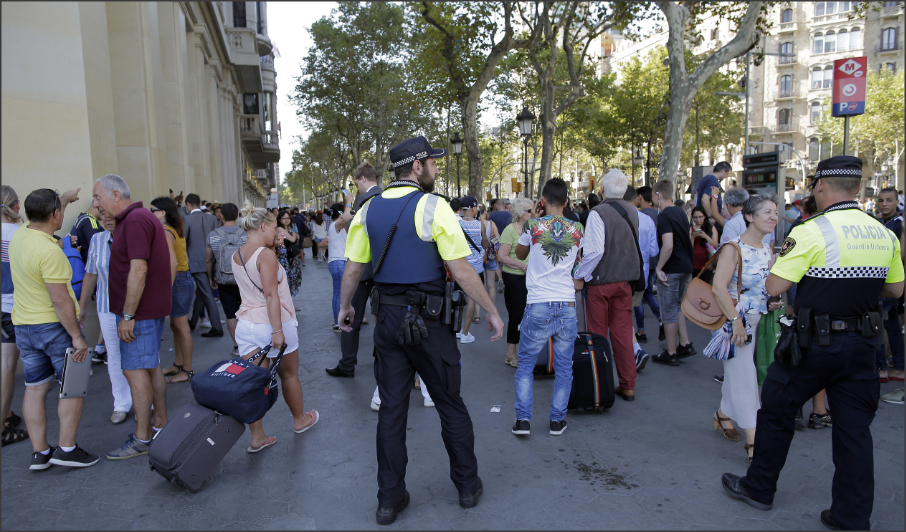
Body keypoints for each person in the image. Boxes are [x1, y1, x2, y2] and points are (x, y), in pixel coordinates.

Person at [721, 156, 905, 531]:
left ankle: (759, 487)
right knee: (854, 431)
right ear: (857, 189)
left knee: (775, 408)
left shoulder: (810, 231)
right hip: (863, 345)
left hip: (813, 344)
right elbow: (896, 289)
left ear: (821, 186)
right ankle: (852, 516)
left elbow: (774, 287)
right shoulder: (883, 233)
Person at [337, 136, 504, 525]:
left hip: (388, 322)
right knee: (449, 403)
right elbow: (461, 269)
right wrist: (492, 310)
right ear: (417, 167)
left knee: (392, 411)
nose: (435, 168)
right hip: (429, 323)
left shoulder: (367, 209)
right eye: (432, 162)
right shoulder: (434, 206)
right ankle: (467, 487)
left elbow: (353, 268)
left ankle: (388, 499)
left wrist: (346, 306)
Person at [10, 187, 100, 468]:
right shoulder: (50, 251)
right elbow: (60, 300)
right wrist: (77, 337)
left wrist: (64, 198)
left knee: (34, 388)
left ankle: (41, 453)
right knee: (72, 386)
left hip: (23, 325)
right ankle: (67, 448)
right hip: (53, 327)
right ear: (56, 214)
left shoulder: (20, 235)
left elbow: (44, 211)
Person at [91, 175, 171, 460]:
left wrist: (127, 315)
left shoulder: (135, 220)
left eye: (98, 197)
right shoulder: (138, 218)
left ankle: (143, 436)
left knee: (135, 370)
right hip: (145, 311)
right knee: (150, 368)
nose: (95, 204)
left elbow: (138, 270)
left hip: (139, 314)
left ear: (115, 194)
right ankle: (159, 424)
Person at [232, 207, 318, 453]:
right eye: (272, 228)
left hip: (246, 325)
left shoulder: (237, 254)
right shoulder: (266, 256)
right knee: (289, 375)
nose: (275, 232)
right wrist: (277, 330)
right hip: (271, 324)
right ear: (262, 227)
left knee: (254, 382)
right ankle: (300, 419)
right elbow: (271, 295)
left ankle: (257, 436)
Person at [710, 194, 781, 464]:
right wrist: (736, 322)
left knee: (738, 374)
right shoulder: (733, 248)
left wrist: (770, 301)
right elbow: (719, 287)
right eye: (767, 212)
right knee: (745, 376)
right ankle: (754, 441)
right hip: (733, 324)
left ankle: (722, 413)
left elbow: (761, 288)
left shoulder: (766, 249)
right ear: (749, 217)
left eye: (775, 212)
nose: (773, 217)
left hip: (755, 320)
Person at [514, 178, 583, 433]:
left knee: (525, 365)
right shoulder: (577, 228)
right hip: (565, 303)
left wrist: (534, 216)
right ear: (566, 202)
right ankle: (557, 420)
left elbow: (520, 255)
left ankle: (523, 420)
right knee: (564, 367)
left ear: (542, 201)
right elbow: (578, 260)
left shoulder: (532, 225)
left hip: (538, 304)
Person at [575, 169, 641, 401]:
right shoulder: (633, 211)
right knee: (623, 333)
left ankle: (599, 383)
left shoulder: (597, 213)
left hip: (601, 282)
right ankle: (628, 384)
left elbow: (595, 251)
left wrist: (580, 275)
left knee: (597, 334)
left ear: (602, 189)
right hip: (624, 281)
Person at [327, 161, 382, 378]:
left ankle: (347, 364)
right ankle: (382, 362)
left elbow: (357, 236)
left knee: (350, 317)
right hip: (381, 268)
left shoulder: (363, 200)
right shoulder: (385, 198)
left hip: (362, 267)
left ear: (362, 179)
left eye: (356, 182)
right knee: (383, 318)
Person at [78, 213, 133, 424]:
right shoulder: (97, 240)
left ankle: (146, 400)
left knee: (141, 354)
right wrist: (82, 307)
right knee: (114, 356)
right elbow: (91, 274)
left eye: (111, 216)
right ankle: (121, 403)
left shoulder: (132, 236)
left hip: (134, 307)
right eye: (103, 216)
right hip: (106, 307)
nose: (107, 219)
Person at [651, 179, 697, 366]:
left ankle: (671, 352)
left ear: (658, 195)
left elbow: (668, 245)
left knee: (668, 310)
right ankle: (685, 344)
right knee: (678, 306)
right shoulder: (680, 211)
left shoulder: (663, 216)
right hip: (686, 265)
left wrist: (659, 267)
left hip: (672, 268)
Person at [150, 197, 195, 384]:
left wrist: (165, 289)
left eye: (152, 210)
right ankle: (178, 364)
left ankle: (187, 370)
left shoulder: (167, 231)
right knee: (176, 326)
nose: (149, 212)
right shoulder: (174, 228)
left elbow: (173, 263)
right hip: (181, 279)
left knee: (181, 327)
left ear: (162, 213)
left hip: (178, 281)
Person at [2, 186, 29, 446]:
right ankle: (2, 427)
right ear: (16, 206)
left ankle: (7, 414)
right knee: (7, 366)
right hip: (10, 307)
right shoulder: (18, 235)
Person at [494, 197, 533, 368]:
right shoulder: (510, 230)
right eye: (529, 211)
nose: (532, 213)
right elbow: (502, 256)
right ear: (519, 213)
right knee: (516, 315)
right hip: (514, 277)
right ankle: (511, 353)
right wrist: (523, 266)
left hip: (531, 278)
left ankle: (528, 351)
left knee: (530, 314)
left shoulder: (533, 228)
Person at [623, 186, 657, 369]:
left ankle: (634, 349)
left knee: (622, 315)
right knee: (626, 313)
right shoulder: (647, 220)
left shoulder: (619, 218)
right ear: (636, 199)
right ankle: (633, 347)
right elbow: (653, 251)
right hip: (641, 274)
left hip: (622, 275)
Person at [206, 203, 246, 356]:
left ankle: (237, 346)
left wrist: (211, 277)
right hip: (242, 280)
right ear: (237, 216)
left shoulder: (213, 235)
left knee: (230, 314)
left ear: (221, 215)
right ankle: (248, 342)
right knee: (246, 311)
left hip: (223, 279)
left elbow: (209, 259)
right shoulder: (245, 235)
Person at [183, 194, 223, 336]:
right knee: (202, 292)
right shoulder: (212, 218)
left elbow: (183, 240)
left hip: (196, 261)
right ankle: (193, 322)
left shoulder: (187, 219)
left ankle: (217, 326)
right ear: (199, 203)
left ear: (188, 204)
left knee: (206, 293)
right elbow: (217, 239)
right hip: (211, 259)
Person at [456, 195, 488, 344]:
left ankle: (456, 329)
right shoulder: (479, 225)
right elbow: (485, 244)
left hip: (459, 266)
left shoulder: (457, 224)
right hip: (475, 268)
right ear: (474, 208)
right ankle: (465, 332)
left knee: (457, 299)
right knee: (472, 300)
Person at [633, 186, 664, 343]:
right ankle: (660, 319)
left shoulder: (639, 216)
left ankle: (641, 330)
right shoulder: (657, 215)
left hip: (641, 263)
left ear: (639, 197)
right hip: (655, 260)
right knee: (647, 292)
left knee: (638, 297)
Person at [326, 203, 348, 332]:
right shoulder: (335, 225)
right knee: (338, 294)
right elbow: (346, 218)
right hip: (338, 262)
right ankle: (336, 322)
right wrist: (349, 202)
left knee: (340, 293)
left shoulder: (338, 227)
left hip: (339, 262)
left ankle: (339, 320)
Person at [275, 210, 302, 298]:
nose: (286, 220)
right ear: (279, 219)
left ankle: (289, 303)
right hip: (284, 258)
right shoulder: (279, 228)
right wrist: (294, 235)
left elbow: (295, 239)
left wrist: (294, 236)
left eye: (288, 218)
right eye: (284, 218)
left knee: (292, 279)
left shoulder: (289, 228)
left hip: (291, 257)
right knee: (285, 280)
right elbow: (292, 239)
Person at [480, 205, 503, 304]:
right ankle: (491, 310)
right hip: (491, 256)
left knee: (478, 287)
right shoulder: (491, 224)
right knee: (491, 286)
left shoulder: (475, 224)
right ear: (485, 212)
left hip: (478, 257)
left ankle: (477, 315)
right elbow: (498, 239)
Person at [697, 161, 731, 226]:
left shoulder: (706, 178)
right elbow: (705, 199)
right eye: (727, 173)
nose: (726, 176)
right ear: (723, 171)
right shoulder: (713, 180)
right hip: (710, 219)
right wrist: (710, 216)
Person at [691, 206, 720, 283]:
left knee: (705, 283)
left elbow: (716, 245)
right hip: (695, 262)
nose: (698, 220)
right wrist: (693, 237)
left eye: (700, 217)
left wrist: (706, 237)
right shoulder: (691, 229)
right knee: (697, 284)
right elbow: (690, 248)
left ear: (704, 216)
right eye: (695, 217)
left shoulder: (711, 227)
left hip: (708, 262)